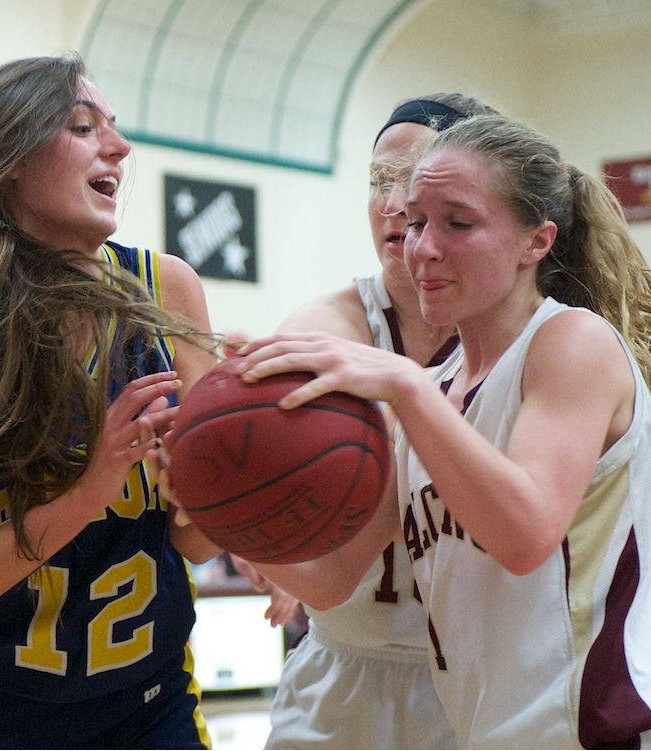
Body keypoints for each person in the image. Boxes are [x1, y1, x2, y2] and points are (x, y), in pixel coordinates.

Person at [235, 113, 651, 748]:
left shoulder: (571, 343)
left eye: (458, 223)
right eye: (416, 222)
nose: (423, 247)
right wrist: (224, 511)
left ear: (536, 241)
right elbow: (333, 580)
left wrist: (403, 387)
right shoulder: (428, 394)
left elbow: (525, 534)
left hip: (596, 732)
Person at [0, 55, 221, 750]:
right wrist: (89, 489)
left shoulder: (168, 288)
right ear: (11, 159)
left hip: (149, 705)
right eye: (83, 127)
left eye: (114, 128)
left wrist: (217, 475)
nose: (119, 148)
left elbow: (197, 540)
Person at [261, 95, 498, 751]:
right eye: (377, 180)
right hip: (342, 664)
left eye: (411, 179)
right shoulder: (323, 326)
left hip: (481, 675)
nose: (392, 203)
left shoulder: (529, 339)